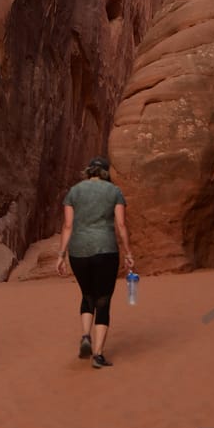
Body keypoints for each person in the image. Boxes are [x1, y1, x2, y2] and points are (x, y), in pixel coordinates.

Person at [56, 156, 133, 368]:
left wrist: (61, 255)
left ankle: (85, 336)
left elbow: (68, 225)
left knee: (87, 294)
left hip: (78, 252)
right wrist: (128, 252)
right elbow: (121, 224)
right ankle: (98, 355)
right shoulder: (114, 191)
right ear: (106, 173)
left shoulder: (74, 191)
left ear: (89, 171)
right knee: (103, 300)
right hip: (106, 250)